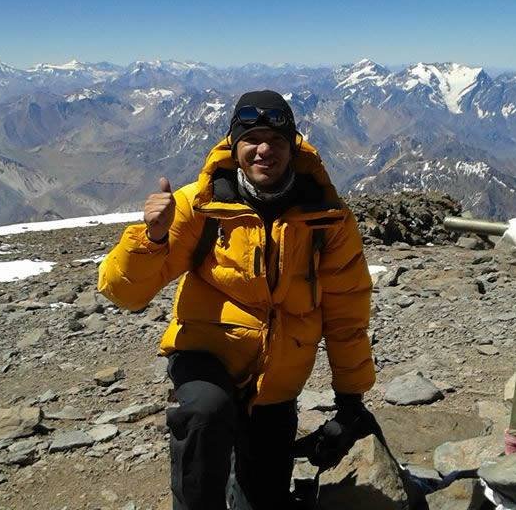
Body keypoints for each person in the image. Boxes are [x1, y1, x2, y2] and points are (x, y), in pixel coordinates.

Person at [98, 90, 376, 510]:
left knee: (262, 500)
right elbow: (123, 291)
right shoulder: (200, 204)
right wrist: (152, 238)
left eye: (277, 140)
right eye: (252, 139)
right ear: (234, 144)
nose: (264, 150)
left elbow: (346, 313)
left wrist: (350, 402)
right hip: (206, 355)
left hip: (278, 380)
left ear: (293, 146)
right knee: (206, 411)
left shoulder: (326, 218)